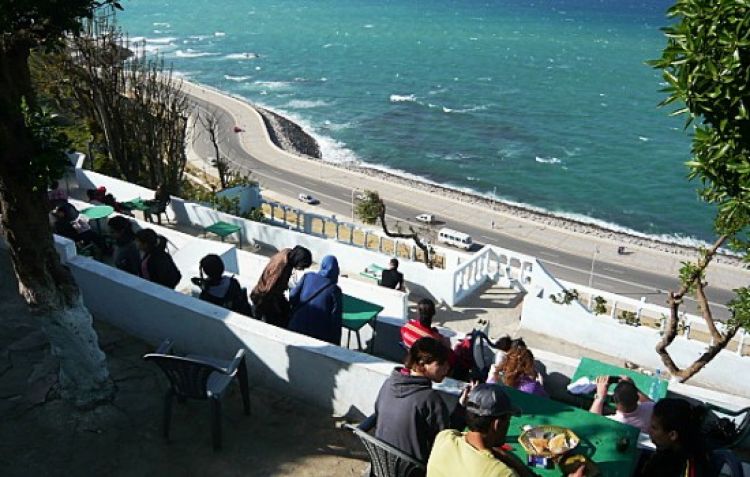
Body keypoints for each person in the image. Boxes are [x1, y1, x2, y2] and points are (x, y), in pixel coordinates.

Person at [427, 383, 584, 477]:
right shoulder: (500, 473)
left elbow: (485, 449)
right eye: (508, 421)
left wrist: (520, 468)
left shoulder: (445, 437)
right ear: (496, 424)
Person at [371, 337, 469, 463]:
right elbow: (445, 442)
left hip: (382, 464)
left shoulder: (389, 383)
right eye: (441, 363)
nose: (447, 368)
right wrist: (461, 408)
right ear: (422, 363)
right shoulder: (430, 399)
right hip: (413, 470)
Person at [636, 398, 712, 476]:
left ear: (672, 435)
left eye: (654, 428)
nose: (649, 430)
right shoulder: (670, 447)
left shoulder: (687, 467)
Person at [251, 245, 312, 328]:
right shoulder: (281, 268)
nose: (302, 269)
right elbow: (267, 290)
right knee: (280, 321)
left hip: (274, 294)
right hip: (264, 298)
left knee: (288, 311)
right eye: (302, 266)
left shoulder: (288, 253)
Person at [288, 255, 343, 344]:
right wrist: (336, 344)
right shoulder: (335, 290)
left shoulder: (307, 277)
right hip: (318, 336)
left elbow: (293, 296)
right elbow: (335, 320)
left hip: (296, 326)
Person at [589, 375, 654, 433]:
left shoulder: (614, 422)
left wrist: (600, 396)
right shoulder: (652, 409)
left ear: (615, 401)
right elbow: (650, 403)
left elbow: (591, 422)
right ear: (637, 397)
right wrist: (632, 386)